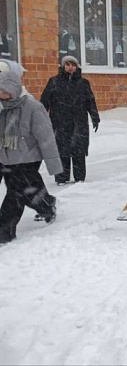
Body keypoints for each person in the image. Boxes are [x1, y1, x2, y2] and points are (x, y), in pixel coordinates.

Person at [0, 71, 62, 244]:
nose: (2, 95)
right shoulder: (1, 108)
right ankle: (46, 205)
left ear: (14, 89)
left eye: (5, 91)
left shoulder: (33, 108)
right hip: (4, 157)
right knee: (25, 191)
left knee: (16, 193)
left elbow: (46, 137)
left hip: (27, 157)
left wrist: (54, 164)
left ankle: (4, 232)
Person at [40, 55, 100, 186]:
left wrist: (95, 117)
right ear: (63, 66)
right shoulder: (54, 81)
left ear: (77, 66)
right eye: (67, 64)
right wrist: (39, 117)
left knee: (79, 150)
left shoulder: (83, 83)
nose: (70, 67)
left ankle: (79, 177)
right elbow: (45, 101)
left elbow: (90, 101)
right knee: (61, 150)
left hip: (79, 122)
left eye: (73, 64)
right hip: (59, 121)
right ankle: (61, 177)